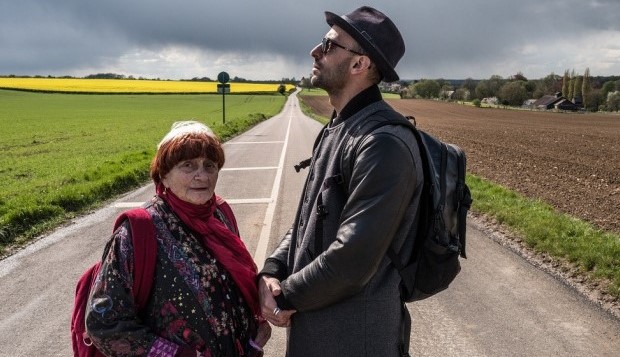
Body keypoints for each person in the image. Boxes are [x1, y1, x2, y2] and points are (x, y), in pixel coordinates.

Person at [257, 6, 424, 357]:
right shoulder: (338, 128)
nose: (315, 51)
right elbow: (308, 219)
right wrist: (272, 270)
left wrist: (284, 295)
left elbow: (352, 259)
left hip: (356, 340)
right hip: (318, 334)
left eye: (329, 45)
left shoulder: (382, 143)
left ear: (359, 64)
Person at [86, 121, 270, 356]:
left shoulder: (221, 215)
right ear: (163, 175)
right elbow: (105, 324)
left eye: (210, 165)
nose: (201, 175)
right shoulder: (138, 232)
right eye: (188, 165)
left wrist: (253, 339)